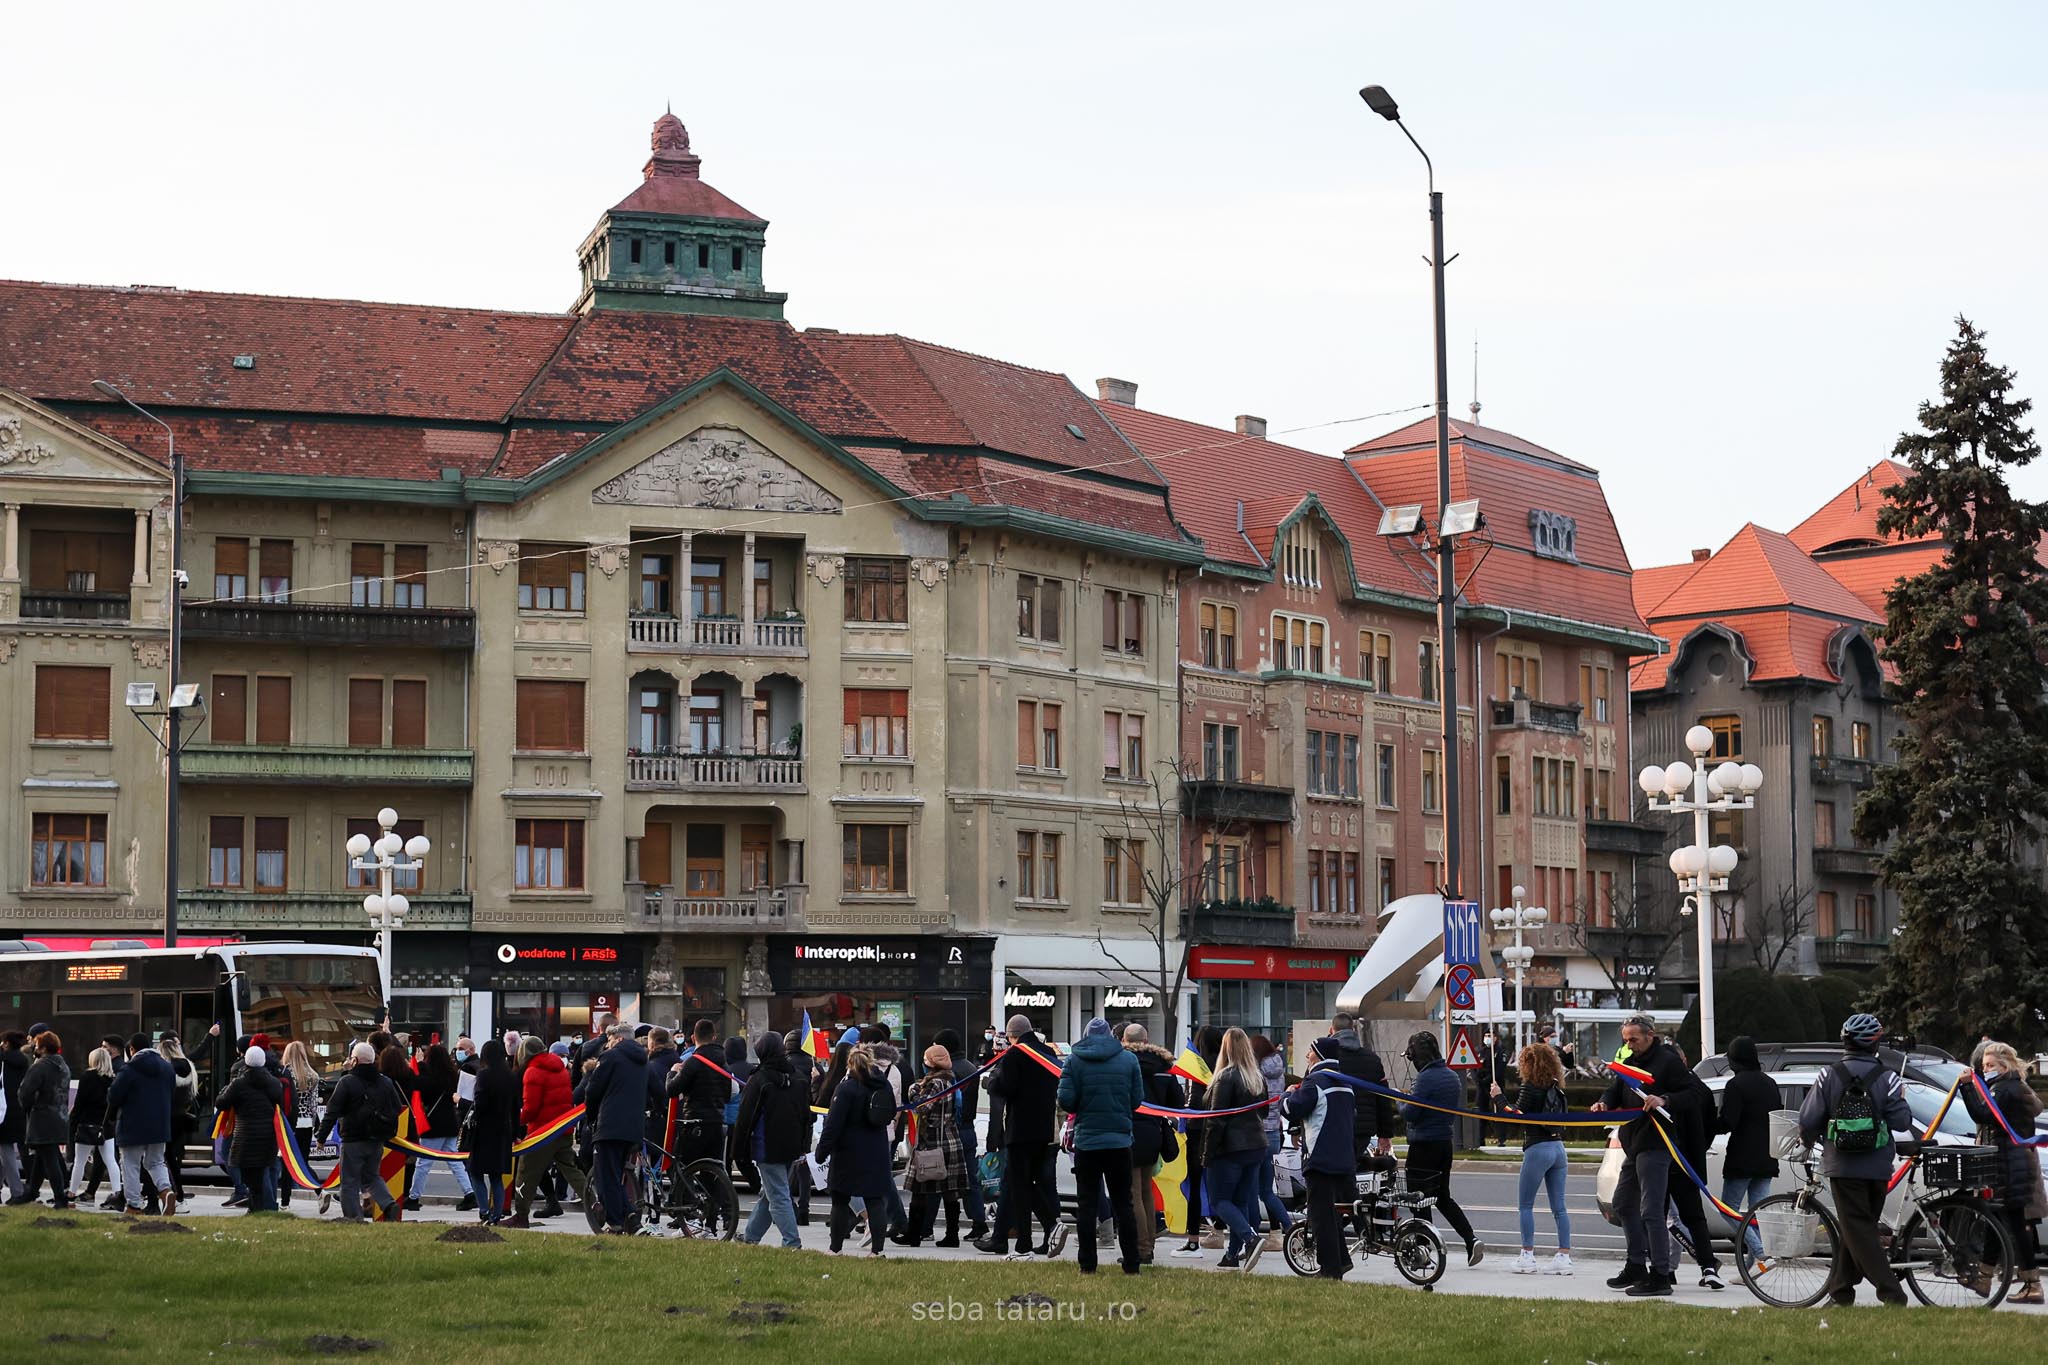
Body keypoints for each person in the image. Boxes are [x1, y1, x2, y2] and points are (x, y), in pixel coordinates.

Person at [1796, 1013, 1914, 1307]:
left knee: (1858, 1230)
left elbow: (1808, 1119)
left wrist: (1807, 1141)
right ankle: (1840, 1293)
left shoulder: (1828, 1074)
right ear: (1875, 1043)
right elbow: (1901, 1122)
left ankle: (1892, 1294)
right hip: (1878, 1167)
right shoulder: (1888, 1077)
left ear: (1845, 1042)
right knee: (1859, 1229)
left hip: (1843, 1164)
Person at [1056, 1018, 1145, 1274]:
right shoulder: (1128, 1060)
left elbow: (1066, 1099)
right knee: (1123, 1203)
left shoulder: (1074, 1061)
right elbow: (1137, 1099)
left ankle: (1087, 1263)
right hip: (1119, 1141)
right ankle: (1131, 1262)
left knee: (1087, 1204)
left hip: (1088, 1141)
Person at [1961, 1040, 2046, 1304]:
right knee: (1998, 1220)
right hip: (2009, 1161)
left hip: (2009, 1164)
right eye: (1984, 1065)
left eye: (1990, 1065)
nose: (1985, 1069)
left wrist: (1966, 1087)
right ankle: (1986, 1277)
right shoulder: (2008, 1086)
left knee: (2015, 1224)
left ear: (2004, 1065)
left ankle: (2032, 1284)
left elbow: (1982, 1114)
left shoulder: (2006, 1088)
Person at [982, 1013, 1065, 1261]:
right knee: (1028, 1182)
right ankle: (1049, 1225)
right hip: (1043, 1129)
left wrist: (991, 1083)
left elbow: (1007, 1088)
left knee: (1020, 1187)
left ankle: (1025, 1244)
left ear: (1012, 1035)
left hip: (1020, 1130)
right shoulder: (1048, 1054)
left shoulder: (1016, 1054)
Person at [1401, 1030, 1484, 1266]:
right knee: (1442, 1197)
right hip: (1444, 1144)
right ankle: (1471, 1239)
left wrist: (1399, 1101)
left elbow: (1412, 1113)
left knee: (1418, 1200)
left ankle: (1423, 1252)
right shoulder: (1449, 1075)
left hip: (1422, 1145)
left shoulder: (1425, 1079)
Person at [1283, 1034, 1358, 1279]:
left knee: (1319, 1215)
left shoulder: (1315, 1081)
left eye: (1310, 1052)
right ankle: (1342, 1260)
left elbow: (1293, 1109)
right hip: (1343, 1156)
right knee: (1331, 1212)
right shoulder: (1345, 1082)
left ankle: (1329, 1270)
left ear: (1319, 1055)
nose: (1307, 1056)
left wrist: (1287, 1095)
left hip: (1320, 1157)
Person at [1201, 1027, 1273, 1271]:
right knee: (1240, 1200)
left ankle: (1250, 1238)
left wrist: (1207, 1153)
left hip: (1229, 1149)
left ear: (1226, 1047)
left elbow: (1216, 1119)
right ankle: (1232, 1254)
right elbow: (1264, 1112)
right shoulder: (1257, 1076)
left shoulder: (1225, 1077)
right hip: (1255, 1146)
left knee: (1219, 1200)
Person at [815, 1047, 893, 1256]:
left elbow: (833, 1125)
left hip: (848, 1151)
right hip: (876, 1148)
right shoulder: (883, 1085)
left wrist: (821, 1152)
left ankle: (835, 1248)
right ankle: (877, 1251)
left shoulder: (846, 1089)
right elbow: (890, 1112)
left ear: (850, 1064)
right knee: (874, 1200)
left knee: (840, 1200)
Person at [736, 1030, 808, 1248]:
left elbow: (745, 1118)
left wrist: (739, 1150)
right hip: (792, 1144)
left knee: (777, 1196)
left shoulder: (759, 1080)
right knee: (771, 1192)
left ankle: (792, 1242)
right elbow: (806, 1115)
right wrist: (803, 1145)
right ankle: (751, 1236)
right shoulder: (799, 1078)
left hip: (766, 1145)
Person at [502, 1035, 583, 1228]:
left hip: (542, 1131)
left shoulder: (533, 1072)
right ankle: (595, 1203)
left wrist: (516, 1120)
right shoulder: (560, 1068)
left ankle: (521, 1215)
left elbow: (531, 1108)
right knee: (572, 1170)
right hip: (562, 1128)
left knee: (525, 1171)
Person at [1507, 1041, 1573, 1275]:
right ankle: (1564, 1257)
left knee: (1525, 1205)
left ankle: (1527, 1256)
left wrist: (1497, 1098)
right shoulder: (1556, 1086)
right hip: (1558, 1148)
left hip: (1537, 1148)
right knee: (1560, 1208)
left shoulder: (1530, 1087)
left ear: (1529, 1064)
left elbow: (1516, 1115)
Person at [898, 1043, 972, 1248]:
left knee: (919, 1188)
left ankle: (914, 1234)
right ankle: (952, 1235)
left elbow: (923, 1107)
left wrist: (913, 1091)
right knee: (949, 1190)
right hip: (950, 1139)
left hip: (932, 1140)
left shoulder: (935, 1083)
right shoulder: (951, 1080)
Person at [1121, 1025, 1180, 1265]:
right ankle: (1149, 1245)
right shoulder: (1164, 1066)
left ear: (1124, 1040)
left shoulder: (1123, 1064)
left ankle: (1141, 1249)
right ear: (1147, 1040)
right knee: (1146, 1188)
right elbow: (1176, 1101)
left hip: (1130, 1130)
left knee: (1133, 1192)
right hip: (1154, 1133)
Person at [326, 1041, 403, 1223]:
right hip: (377, 1137)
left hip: (353, 1138)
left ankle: (354, 1217)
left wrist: (322, 1136)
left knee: (350, 1181)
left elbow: (333, 1109)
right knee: (372, 1177)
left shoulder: (347, 1081)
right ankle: (389, 1204)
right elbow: (397, 1107)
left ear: (354, 1060)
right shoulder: (385, 1081)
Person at [583, 1022, 650, 1233]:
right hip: (633, 1128)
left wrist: (591, 1119)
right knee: (617, 1174)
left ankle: (616, 1222)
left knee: (605, 1176)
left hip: (610, 1125)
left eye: (609, 1039)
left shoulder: (610, 1058)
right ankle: (632, 1218)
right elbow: (655, 1090)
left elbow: (592, 1092)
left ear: (619, 1038)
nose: (607, 1044)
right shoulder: (642, 1061)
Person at [105, 1032, 176, 1219]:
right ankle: (166, 1191)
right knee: (155, 1162)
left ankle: (134, 1205)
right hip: (160, 1125)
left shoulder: (129, 1069)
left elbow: (114, 1097)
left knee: (130, 1165)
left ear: (131, 1049)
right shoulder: (167, 1068)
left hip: (132, 1125)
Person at [1173, 1024, 1225, 1258]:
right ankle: (1229, 1232)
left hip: (1197, 1132)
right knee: (1222, 1185)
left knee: (1194, 1185)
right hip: (1222, 1133)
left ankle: (1193, 1239)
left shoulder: (1198, 1067)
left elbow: (1196, 1103)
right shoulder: (1226, 1066)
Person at [931, 1028, 987, 1239]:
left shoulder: (949, 1071)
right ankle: (979, 1223)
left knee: (938, 1180)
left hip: (950, 1131)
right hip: (968, 1129)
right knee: (971, 1182)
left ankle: (929, 1227)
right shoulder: (971, 1067)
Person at [215, 1043, 283, 1213]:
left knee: (247, 1174)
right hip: (268, 1136)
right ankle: (260, 1207)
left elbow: (221, 1103)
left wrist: (224, 1091)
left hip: (245, 1135)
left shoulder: (239, 1083)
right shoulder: (274, 1083)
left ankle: (255, 1208)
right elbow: (279, 1102)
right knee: (261, 1172)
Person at [411, 1044, 475, 1209]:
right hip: (450, 1122)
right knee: (454, 1161)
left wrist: (419, 1064)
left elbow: (418, 1084)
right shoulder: (452, 1075)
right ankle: (469, 1193)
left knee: (423, 1162)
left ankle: (413, 1197)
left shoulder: (430, 1076)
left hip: (434, 1124)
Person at [1329, 1012, 1395, 1166]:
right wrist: (1385, 1134)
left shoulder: (1327, 1057)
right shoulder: (1372, 1058)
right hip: (1363, 1129)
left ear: (1332, 1030)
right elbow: (1383, 1098)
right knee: (1352, 1168)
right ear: (1353, 1029)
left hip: (1334, 1126)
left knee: (1335, 1172)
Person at [16, 1031, 72, 1207]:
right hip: (60, 1116)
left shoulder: (40, 1066)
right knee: (42, 1156)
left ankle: (60, 1198)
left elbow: (25, 1091)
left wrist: (26, 1106)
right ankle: (32, 1191)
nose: (35, 1049)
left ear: (44, 1048)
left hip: (42, 1117)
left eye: (37, 1046)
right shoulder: (63, 1066)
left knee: (49, 1158)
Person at [668, 1019, 732, 1168]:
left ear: (693, 1038)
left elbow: (672, 1090)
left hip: (694, 1123)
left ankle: (685, 1192)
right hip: (717, 1123)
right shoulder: (723, 1063)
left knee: (680, 1168)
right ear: (714, 1037)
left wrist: (672, 1072)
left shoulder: (692, 1062)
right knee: (712, 1173)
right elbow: (727, 1095)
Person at [1250, 1034, 1295, 1246]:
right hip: (1275, 1133)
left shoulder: (1256, 1072)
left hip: (1257, 1132)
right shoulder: (1278, 1071)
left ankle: (1252, 1233)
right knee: (1266, 1190)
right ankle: (1288, 1227)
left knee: (1251, 1187)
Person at [67, 1046, 118, 1206]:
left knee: (79, 1161)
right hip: (106, 1125)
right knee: (111, 1161)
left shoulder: (87, 1077)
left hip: (87, 1124)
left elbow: (79, 1103)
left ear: (93, 1060)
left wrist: (73, 1123)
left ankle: (71, 1192)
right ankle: (117, 1193)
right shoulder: (113, 1078)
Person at [158, 1035, 198, 1204]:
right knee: (174, 1156)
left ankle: (174, 1191)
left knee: (162, 1157)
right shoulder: (189, 1066)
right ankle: (176, 1190)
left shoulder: (167, 1068)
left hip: (167, 1117)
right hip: (182, 1116)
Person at [0, 1031, 29, 1201]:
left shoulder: (3, 1061)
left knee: (6, 1152)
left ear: (7, 1043)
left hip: (3, 1111)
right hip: (17, 1109)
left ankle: (16, 1191)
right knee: (5, 1150)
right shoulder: (23, 1060)